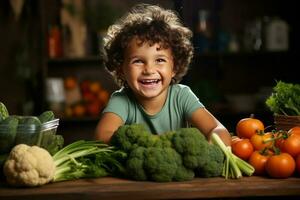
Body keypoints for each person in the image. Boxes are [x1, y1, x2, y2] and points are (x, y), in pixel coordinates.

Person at [95, 3, 231, 146]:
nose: (149, 70)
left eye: (159, 60)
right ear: (121, 69)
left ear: (175, 67)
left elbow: (218, 130)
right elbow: (101, 136)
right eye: (138, 61)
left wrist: (210, 145)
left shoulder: (182, 96)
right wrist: (150, 142)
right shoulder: (122, 101)